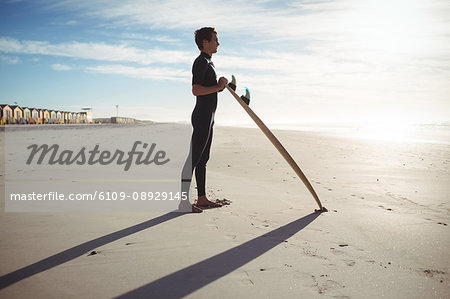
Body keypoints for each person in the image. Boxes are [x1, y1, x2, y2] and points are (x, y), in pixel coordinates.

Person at [181, 27, 228, 213]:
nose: (218, 43)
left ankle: (201, 198)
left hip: (209, 116)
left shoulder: (209, 62)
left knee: (203, 158)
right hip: (201, 115)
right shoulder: (200, 62)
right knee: (193, 159)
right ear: (205, 42)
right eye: (215, 39)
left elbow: (209, 88)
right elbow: (196, 90)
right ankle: (183, 202)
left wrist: (220, 87)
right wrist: (217, 86)